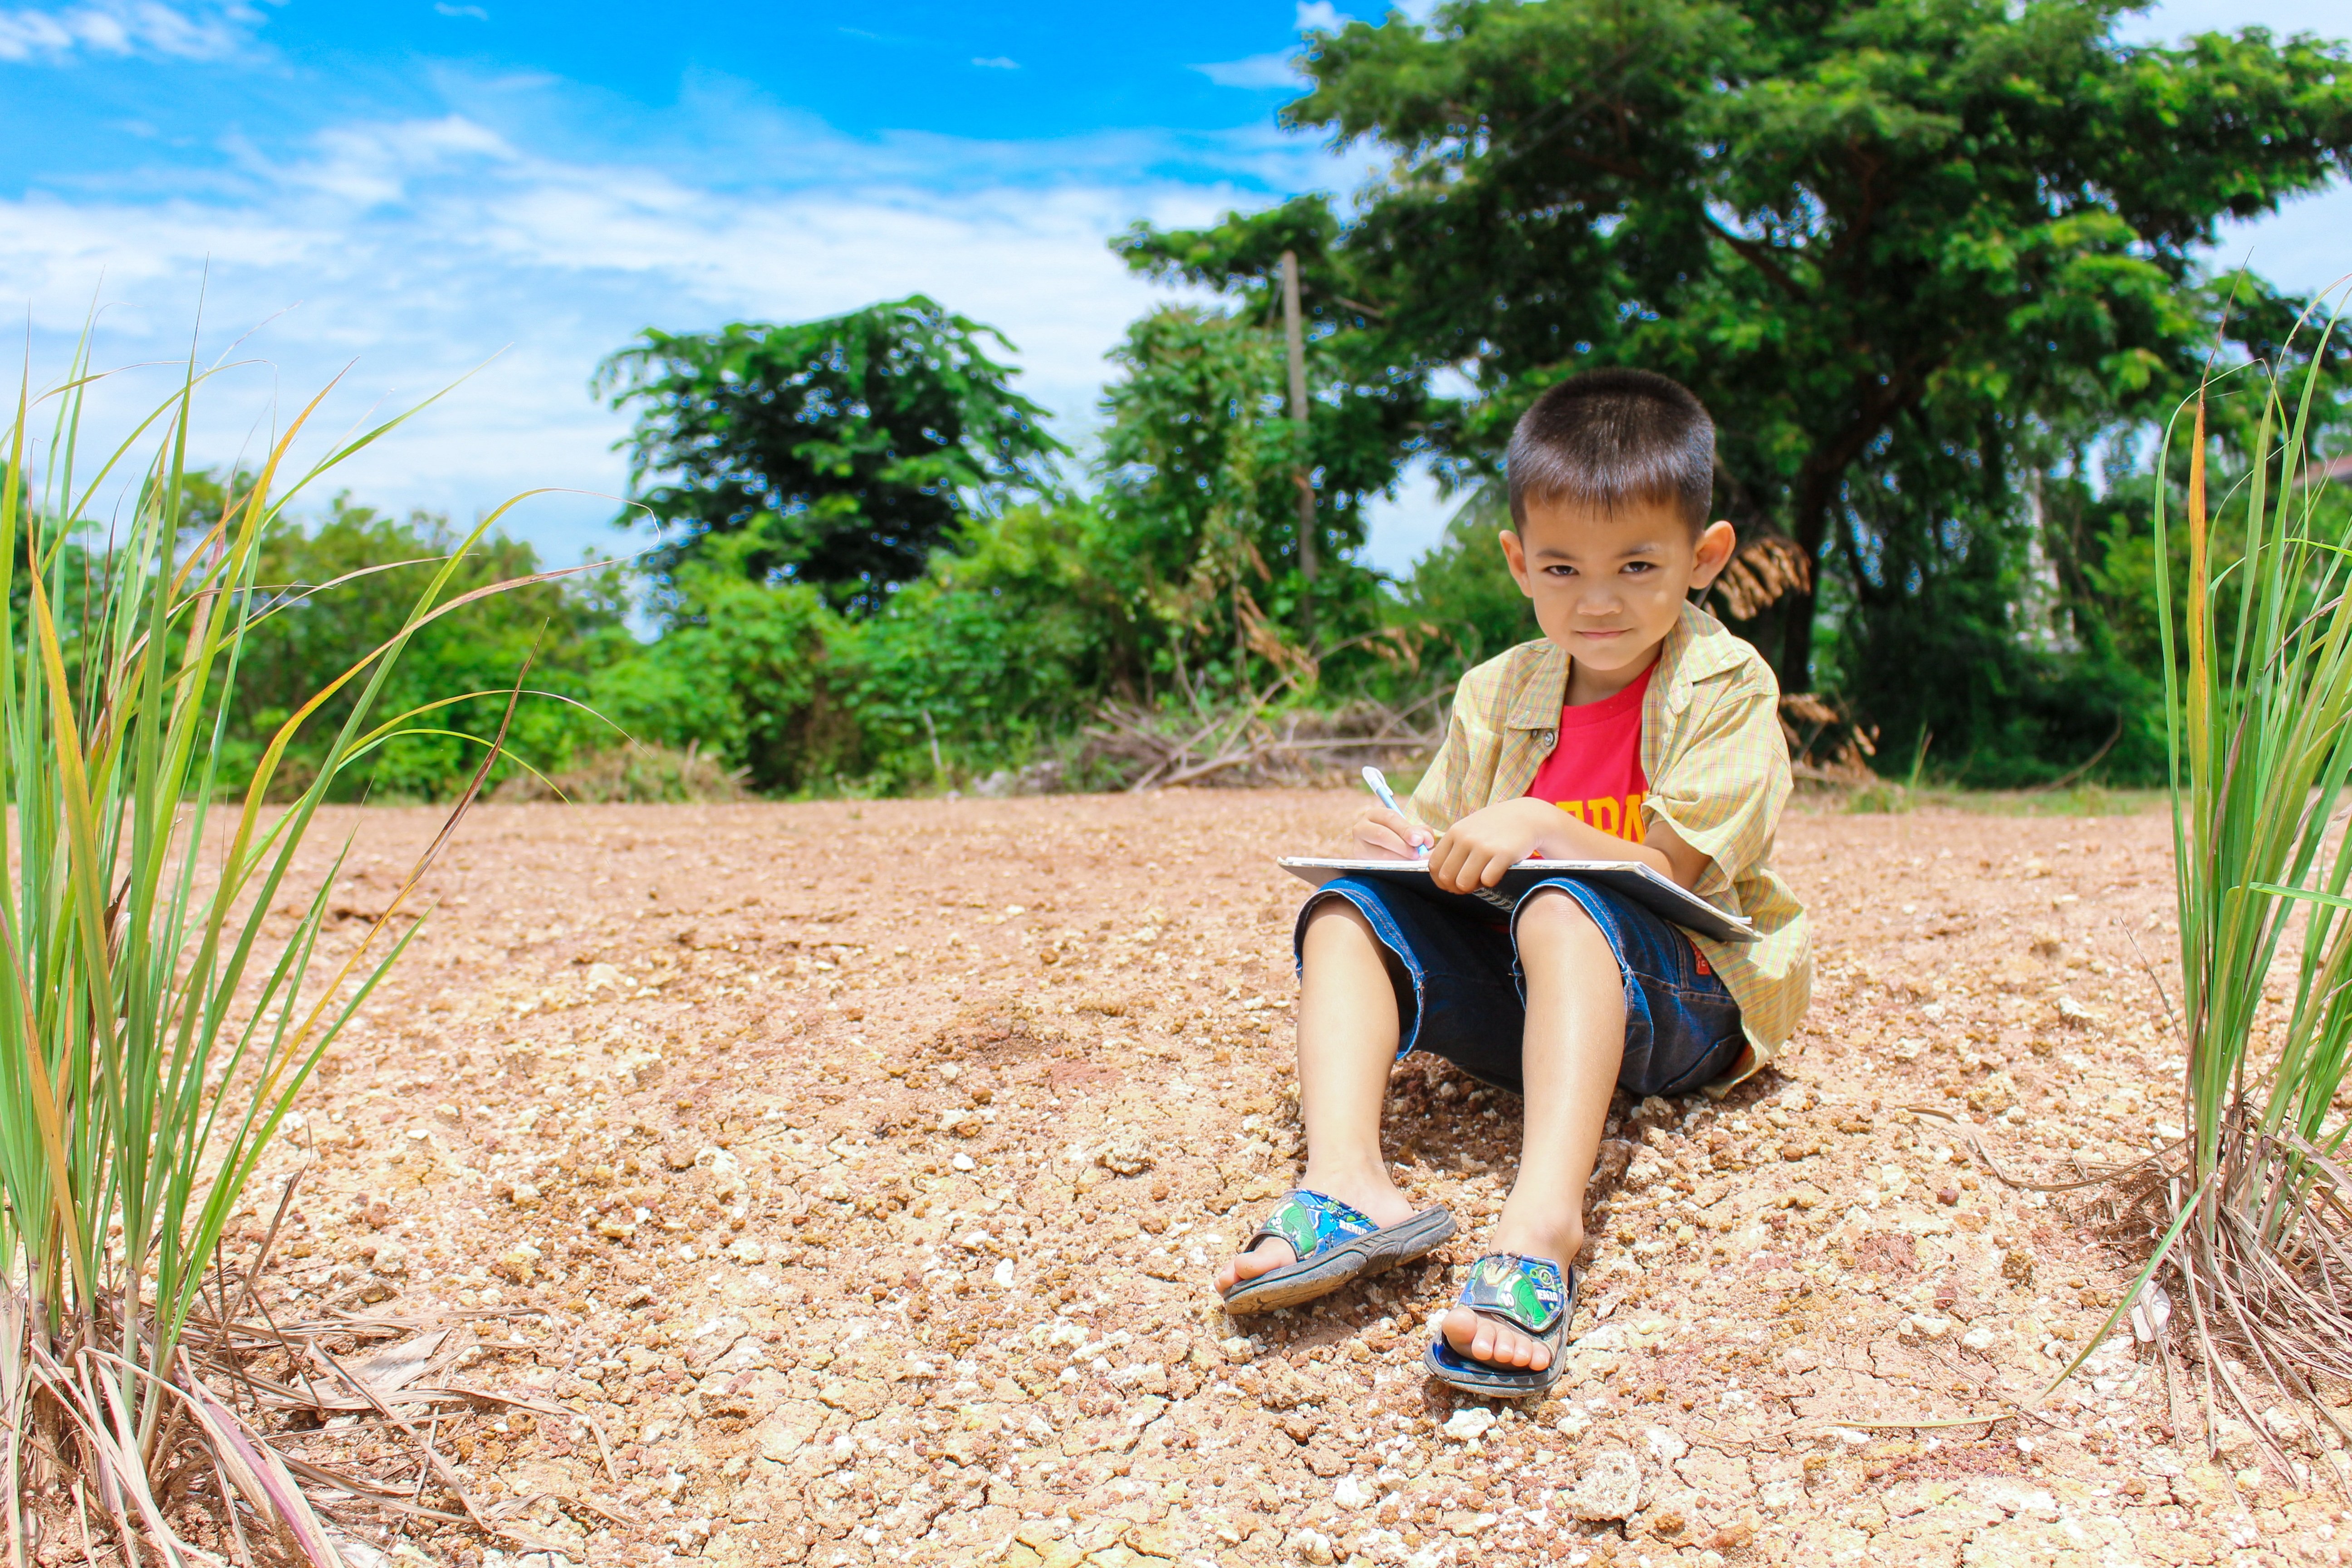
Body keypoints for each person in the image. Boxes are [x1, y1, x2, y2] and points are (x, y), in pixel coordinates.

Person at [1211, 368, 1811, 1397]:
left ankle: (1542, 1227)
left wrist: (1539, 823)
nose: (1600, 599)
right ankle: (1348, 1182)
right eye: (1563, 567)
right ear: (1518, 562)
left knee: (1565, 901)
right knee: (1349, 912)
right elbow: (1453, 844)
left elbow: (1676, 872)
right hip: (1537, 995)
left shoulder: (1729, 685)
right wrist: (1411, 848)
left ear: (1704, 558)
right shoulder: (1496, 690)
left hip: (1683, 1003)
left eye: (1636, 564)